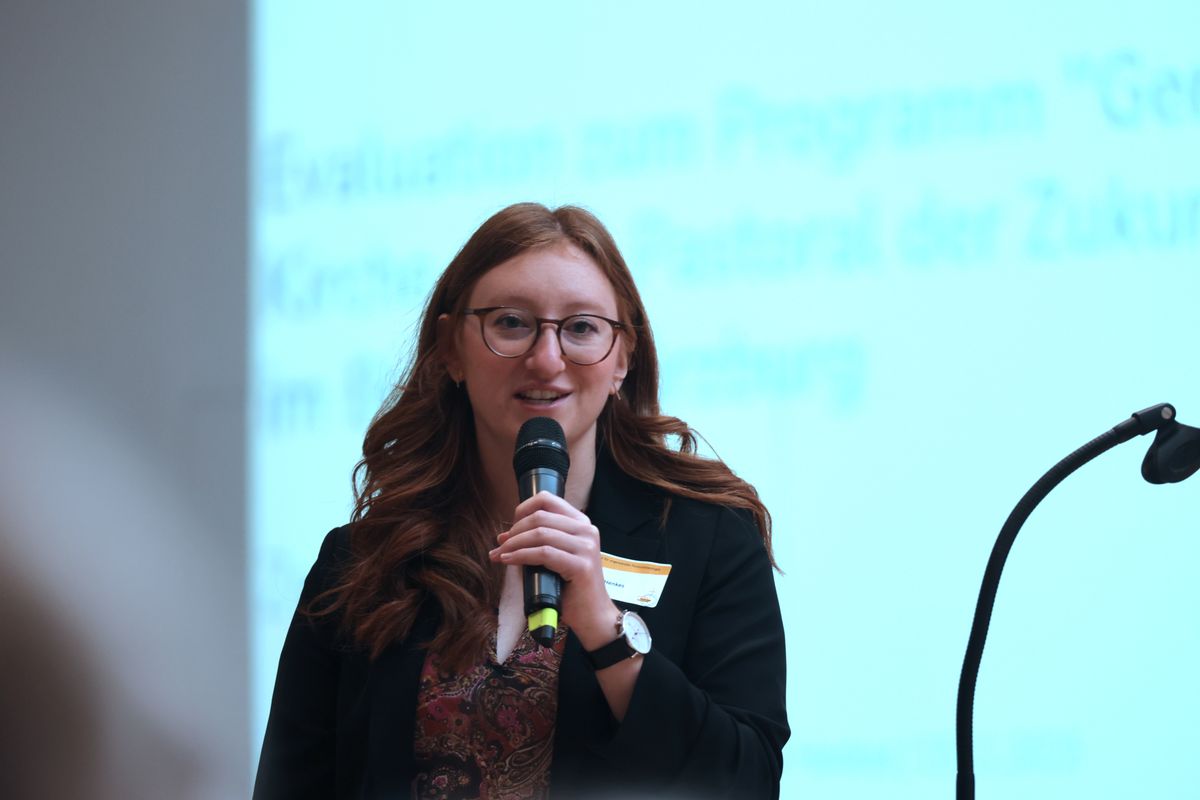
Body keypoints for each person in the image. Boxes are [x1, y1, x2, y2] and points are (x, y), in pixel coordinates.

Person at [254, 203, 789, 799]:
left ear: (622, 359)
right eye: (511, 323)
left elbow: (747, 782)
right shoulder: (362, 560)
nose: (547, 359)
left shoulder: (709, 539)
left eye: (581, 328)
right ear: (450, 349)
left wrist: (605, 628)